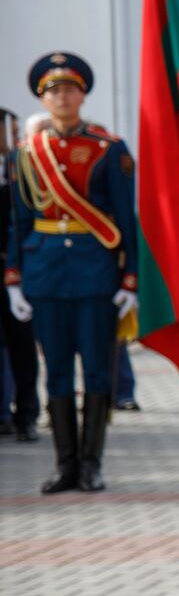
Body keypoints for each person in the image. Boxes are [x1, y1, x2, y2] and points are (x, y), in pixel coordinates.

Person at [6, 53, 139, 493]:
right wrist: (14, 279)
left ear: (82, 96)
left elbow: (126, 218)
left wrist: (130, 278)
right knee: (58, 371)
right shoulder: (26, 154)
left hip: (95, 273)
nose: (62, 97)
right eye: (53, 91)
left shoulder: (110, 149)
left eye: (69, 90)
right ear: (42, 99)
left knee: (97, 370)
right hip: (45, 274)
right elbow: (19, 222)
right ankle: (65, 465)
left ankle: (91, 464)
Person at [0, 108, 39, 442]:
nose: (13, 139)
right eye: (9, 132)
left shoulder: (22, 165)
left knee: (22, 345)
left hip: (17, 272)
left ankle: (27, 415)